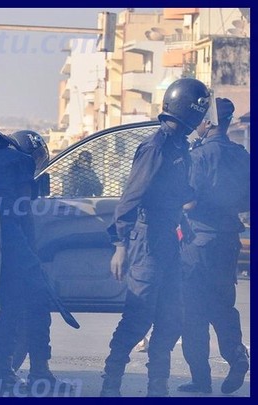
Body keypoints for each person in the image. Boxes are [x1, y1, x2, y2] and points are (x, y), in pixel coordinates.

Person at [100, 78, 211, 397]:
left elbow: (179, 193)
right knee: (137, 317)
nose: (203, 118)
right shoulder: (157, 145)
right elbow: (131, 197)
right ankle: (111, 385)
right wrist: (119, 245)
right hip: (146, 241)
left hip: (168, 239)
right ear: (189, 109)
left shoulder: (179, 146)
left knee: (171, 319)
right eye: (200, 110)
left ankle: (157, 388)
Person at [0, 129, 68, 393]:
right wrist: (32, 262)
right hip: (11, 242)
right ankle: (39, 372)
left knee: (6, 308)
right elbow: (21, 216)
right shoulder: (20, 161)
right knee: (37, 303)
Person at [178, 97, 250, 395]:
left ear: (208, 122)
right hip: (228, 240)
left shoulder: (199, 156)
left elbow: (189, 199)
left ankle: (201, 379)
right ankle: (237, 356)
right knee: (222, 305)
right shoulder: (241, 155)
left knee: (191, 309)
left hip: (198, 241)